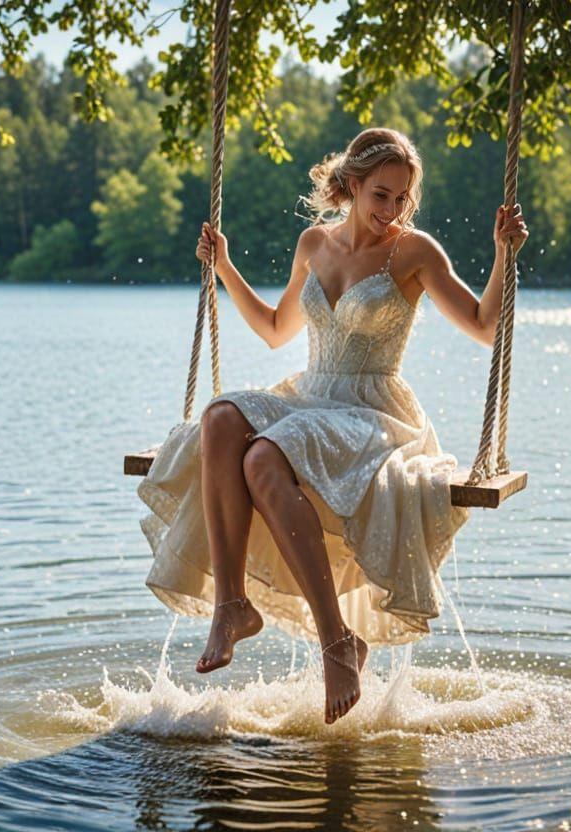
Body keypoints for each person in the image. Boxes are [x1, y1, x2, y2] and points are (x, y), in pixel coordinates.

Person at [137, 127, 529, 724]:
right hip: (310, 396)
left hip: (372, 413)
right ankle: (232, 605)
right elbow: (274, 329)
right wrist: (223, 267)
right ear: (350, 187)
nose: (391, 210)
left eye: (401, 198)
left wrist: (504, 254)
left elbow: (483, 325)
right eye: (380, 195)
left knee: (263, 457)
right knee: (220, 419)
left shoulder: (414, 252)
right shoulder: (313, 244)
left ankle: (335, 641)